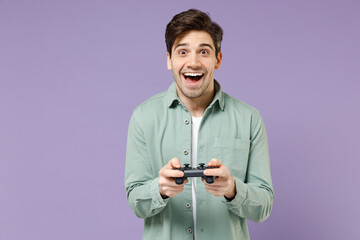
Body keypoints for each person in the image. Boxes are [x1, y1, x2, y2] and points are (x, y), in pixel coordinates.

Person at [125, 9, 274, 240]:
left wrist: (232, 189)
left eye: (203, 51)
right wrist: (160, 189)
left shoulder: (250, 119)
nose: (192, 62)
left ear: (218, 59)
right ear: (169, 60)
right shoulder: (143, 118)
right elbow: (136, 201)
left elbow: (264, 206)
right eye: (182, 51)